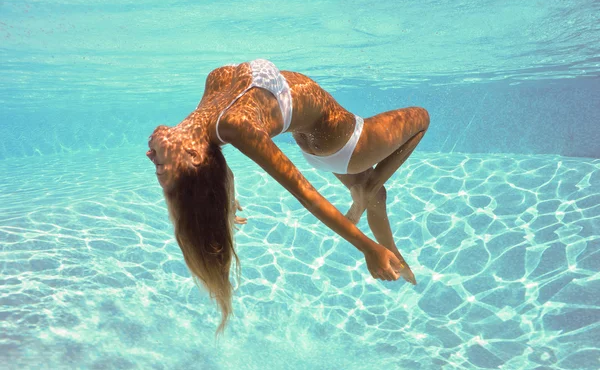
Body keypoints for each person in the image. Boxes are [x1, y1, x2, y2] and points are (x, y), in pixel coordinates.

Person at [146, 59, 430, 336]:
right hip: (346, 145)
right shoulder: (235, 126)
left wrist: (224, 196)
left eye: (156, 164)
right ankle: (368, 203)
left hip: (319, 142)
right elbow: (306, 195)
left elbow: (211, 160)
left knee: (377, 195)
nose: (150, 155)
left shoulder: (208, 113)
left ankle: (395, 253)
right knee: (421, 119)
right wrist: (366, 248)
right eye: (160, 167)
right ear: (192, 157)